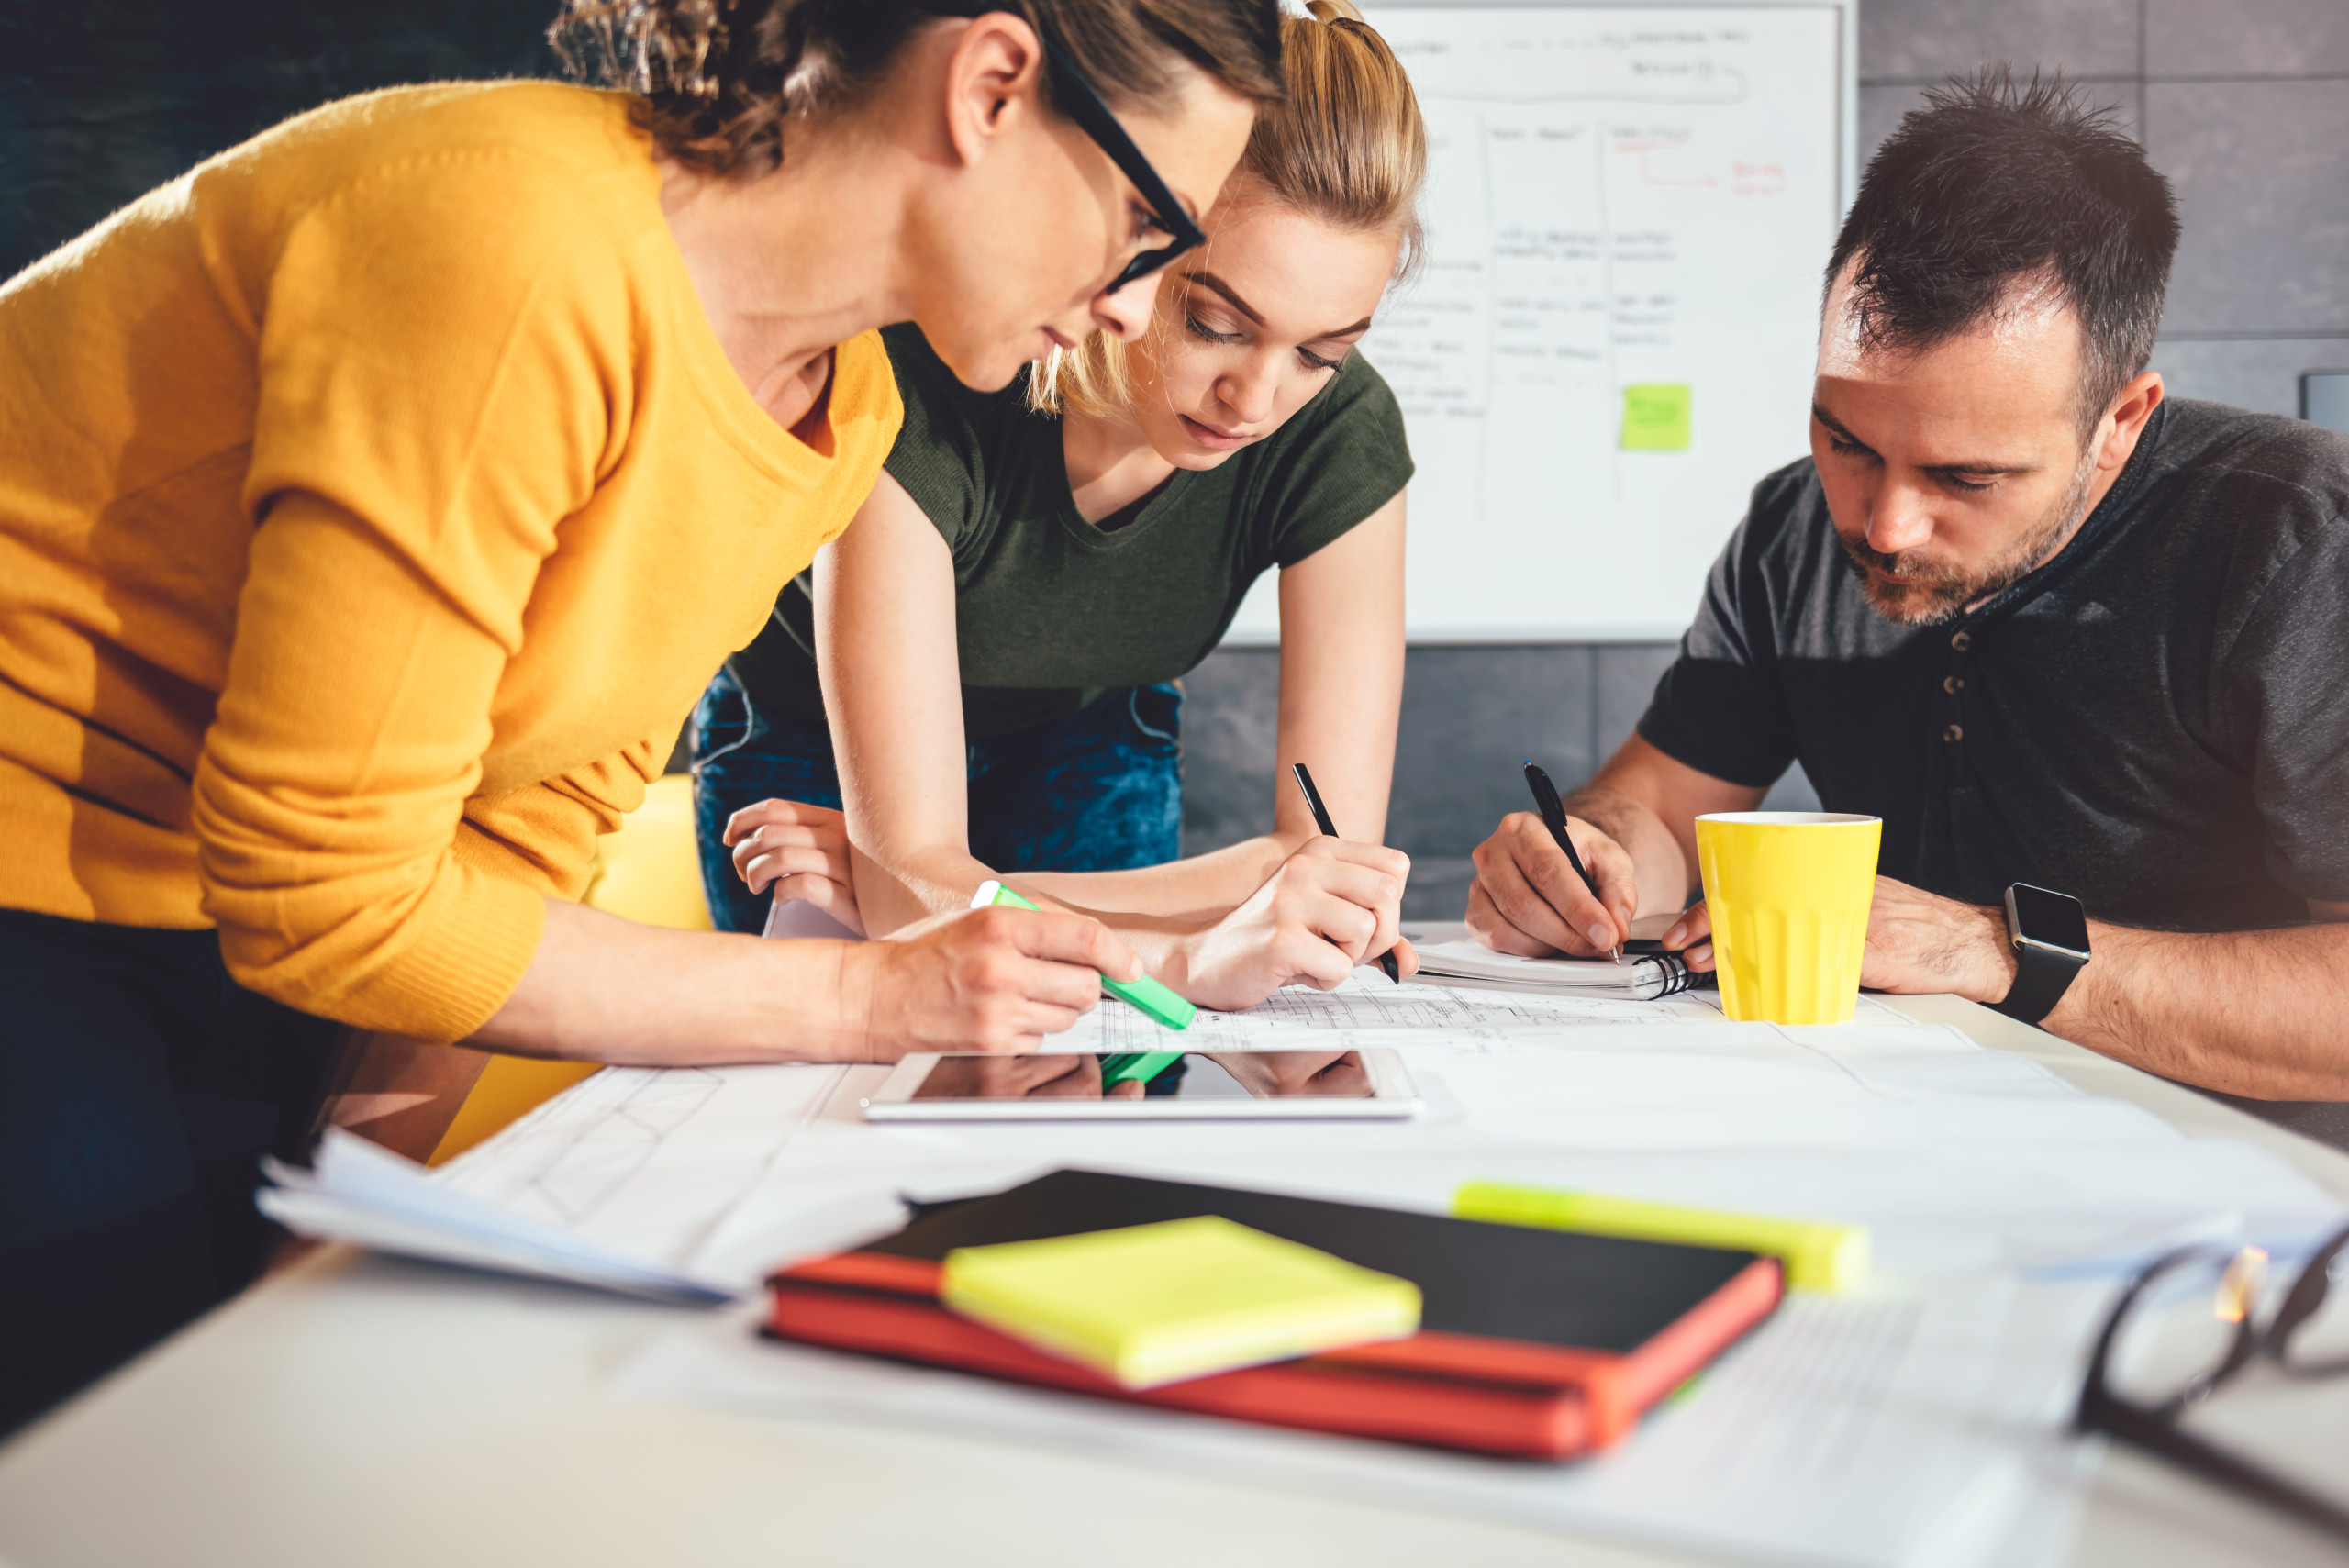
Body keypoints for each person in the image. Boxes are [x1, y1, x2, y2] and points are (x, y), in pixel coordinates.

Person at [0, 0, 1286, 1431]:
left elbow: (536, 816)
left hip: (203, 895)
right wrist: (863, 998)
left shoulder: (841, 410)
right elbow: (320, 887)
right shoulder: (515, 243)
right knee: (103, 1425)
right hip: (36, 846)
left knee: (257, 1409)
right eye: (1145, 226)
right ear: (990, 88)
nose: (1129, 302)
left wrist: (356, 1204)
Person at [1464, 72, 2349, 1111]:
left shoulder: (2293, 539)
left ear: (2120, 420)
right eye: (1845, 440)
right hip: (1906, 1142)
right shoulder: (1793, 530)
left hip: (2240, 1212)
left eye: (1966, 476)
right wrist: (1587, 858)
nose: (1883, 526)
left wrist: (1994, 948)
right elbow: (1653, 810)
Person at [701, 2, 1428, 1011]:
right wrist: (919, 885)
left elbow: (1323, 873)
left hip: (1081, 724)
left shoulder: (1339, 431)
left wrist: (918, 886)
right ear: (1134, 226)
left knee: (1105, 1084)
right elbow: (915, 889)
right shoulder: (913, 379)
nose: (1256, 401)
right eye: (1214, 322)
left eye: (1321, 353)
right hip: (810, 738)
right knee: (824, 1105)